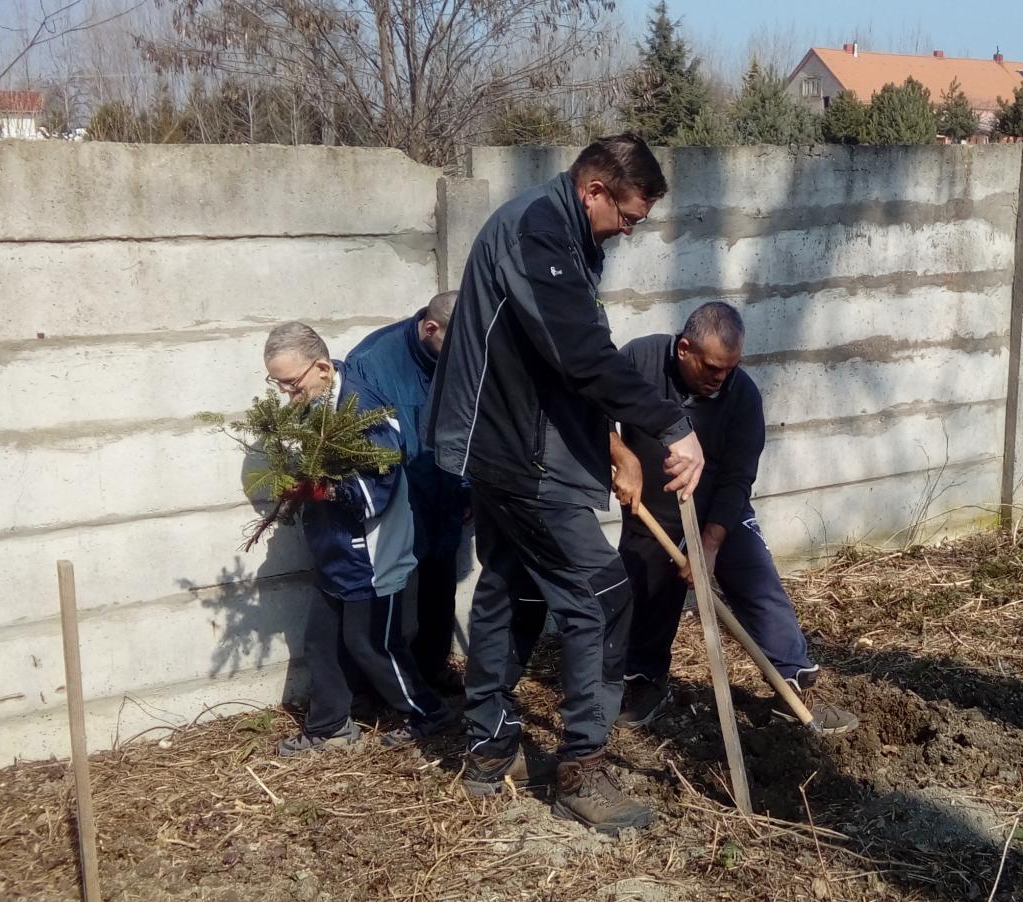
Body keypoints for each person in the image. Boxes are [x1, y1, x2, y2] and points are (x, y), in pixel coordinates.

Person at [425, 134, 705, 833]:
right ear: (594, 190)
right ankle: (582, 767)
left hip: (512, 444)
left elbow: (555, 361)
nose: (630, 231)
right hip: (519, 455)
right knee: (602, 594)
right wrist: (671, 425)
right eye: (628, 217)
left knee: (511, 589)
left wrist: (614, 446)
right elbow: (582, 356)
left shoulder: (568, 236)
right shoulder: (538, 233)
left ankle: (489, 750)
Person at [610, 302, 858, 735]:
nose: (721, 378)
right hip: (653, 514)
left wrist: (709, 546)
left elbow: (738, 477)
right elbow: (590, 409)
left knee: (760, 586)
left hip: (719, 510)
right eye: (712, 367)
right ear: (684, 349)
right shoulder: (639, 359)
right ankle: (645, 683)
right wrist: (622, 458)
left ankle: (794, 687)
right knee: (645, 600)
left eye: (730, 368)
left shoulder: (742, 395)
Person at [260, 322, 455, 756]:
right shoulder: (317, 401)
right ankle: (330, 725)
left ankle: (429, 712)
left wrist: (323, 491)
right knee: (321, 640)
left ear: (322, 368)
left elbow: (378, 486)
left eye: (291, 383)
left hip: (371, 552)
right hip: (335, 548)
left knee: (372, 644)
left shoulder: (363, 408)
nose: (287, 394)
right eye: (278, 385)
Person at [343, 292, 466, 689]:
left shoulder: (467, 352)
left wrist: (469, 490)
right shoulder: (373, 361)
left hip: (448, 488)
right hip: (398, 495)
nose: (466, 353)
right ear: (430, 328)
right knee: (387, 587)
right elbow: (364, 438)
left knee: (441, 577)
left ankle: (432, 667)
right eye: (457, 343)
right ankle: (383, 684)